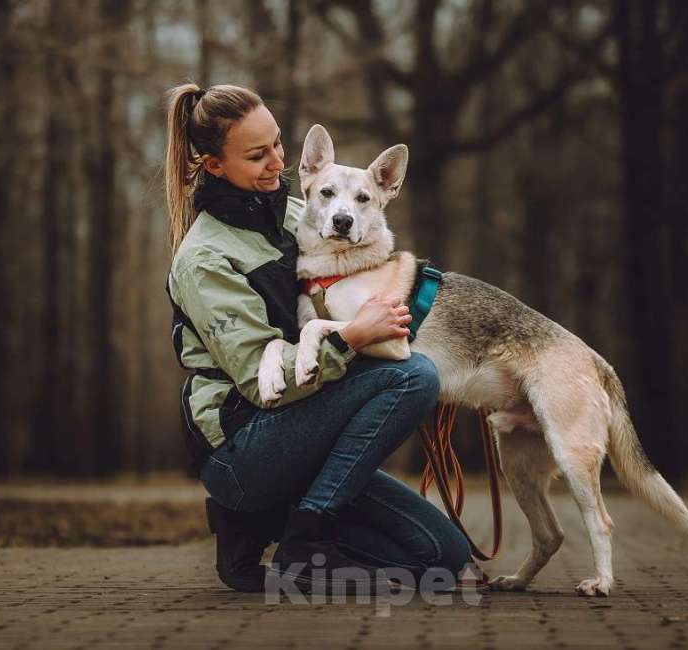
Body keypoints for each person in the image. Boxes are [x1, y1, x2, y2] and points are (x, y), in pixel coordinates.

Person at [163, 83, 471, 593]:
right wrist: (352, 337)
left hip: (307, 426)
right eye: (257, 155)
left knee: (444, 557)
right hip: (243, 441)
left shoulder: (303, 213)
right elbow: (260, 382)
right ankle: (301, 535)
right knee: (412, 375)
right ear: (214, 165)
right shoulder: (204, 260)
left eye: (277, 144)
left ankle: (276, 520)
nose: (276, 163)